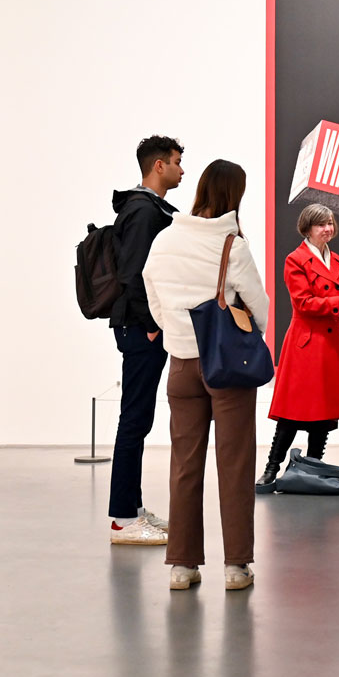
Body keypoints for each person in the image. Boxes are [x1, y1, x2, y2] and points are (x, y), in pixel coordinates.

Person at [143, 159, 269, 590]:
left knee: (184, 464)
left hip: (180, 365)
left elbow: (153, 295)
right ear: (234, 195)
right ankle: (235, 566)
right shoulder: (232, 246)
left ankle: (182, 566)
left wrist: (176, 334)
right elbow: (261, 309)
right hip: (227, 367)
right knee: (234, 465)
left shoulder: (164, 239)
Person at [256, 204, 339, 491]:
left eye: (330, 223)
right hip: (306, 345)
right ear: (307, 228)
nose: (327, 228)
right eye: (321, 224)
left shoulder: (338, 261)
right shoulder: (296, 259)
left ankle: (313, 469)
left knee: (324, 415)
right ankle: (271, 468)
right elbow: (304, 303)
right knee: (292, 412)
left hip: (333, 345)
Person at [108, 135, 183, 546]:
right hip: (140, 328)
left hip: (141, 326)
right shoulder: (141, 211)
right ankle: (122, 519)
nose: (181, 170)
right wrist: (152, 322)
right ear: (158, 166)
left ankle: (131, 509)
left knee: (137, 418)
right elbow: (134, 273)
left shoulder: (146, 208)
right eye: (176, 162)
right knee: (134, 419)